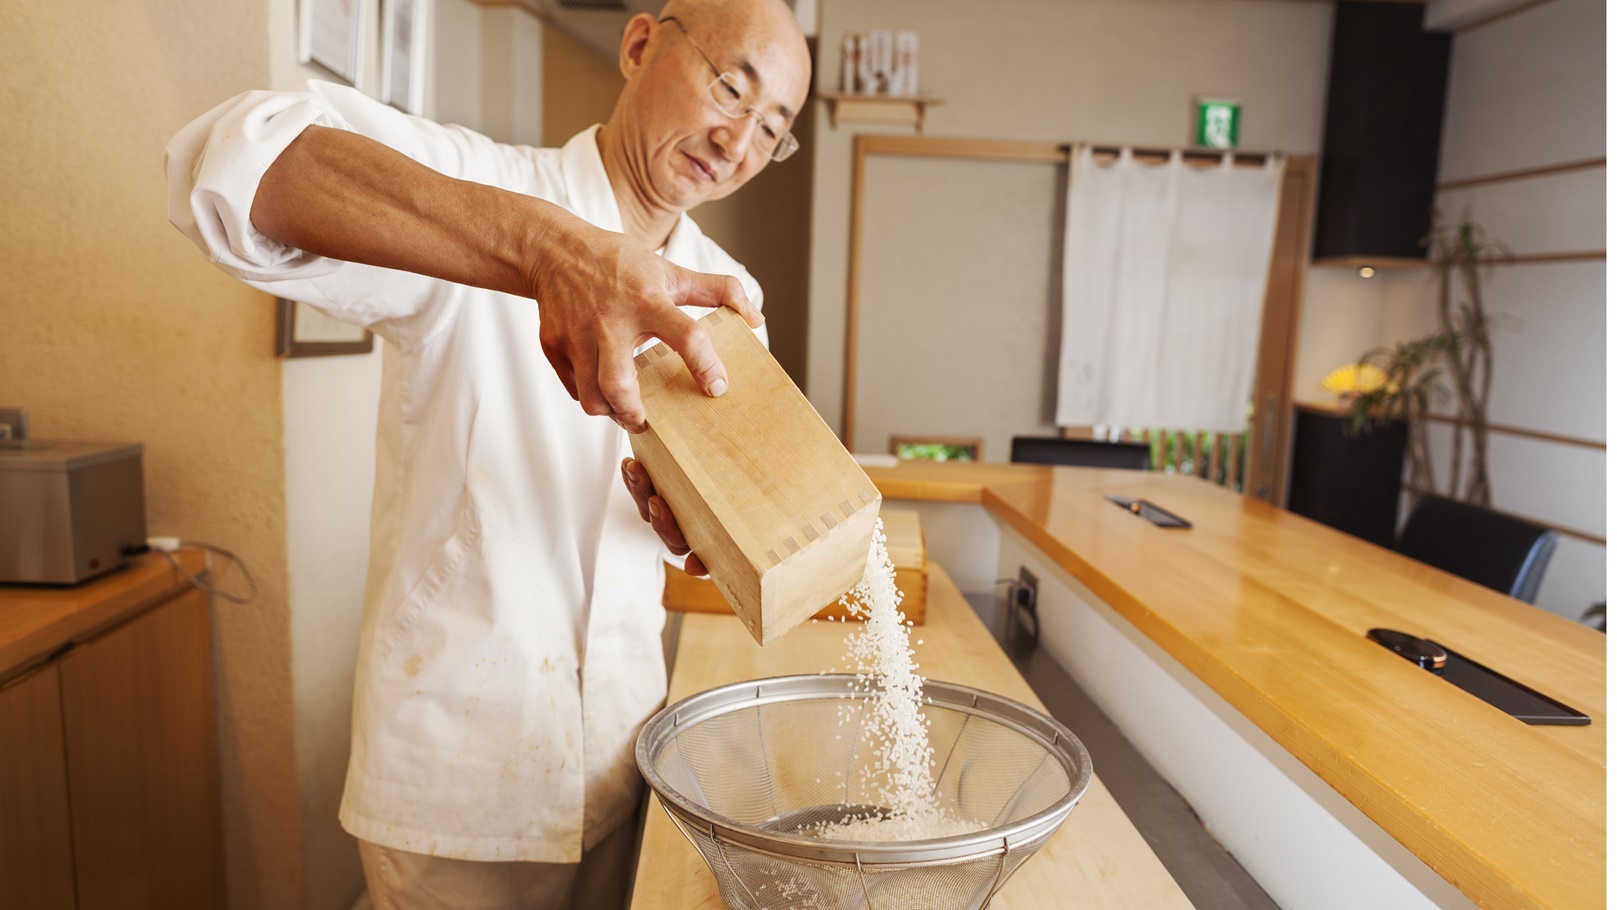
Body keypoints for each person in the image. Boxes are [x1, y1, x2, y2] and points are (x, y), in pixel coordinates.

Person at [164, 0, 812, 906]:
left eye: (771, 127)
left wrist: (692, 531)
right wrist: (547, 249)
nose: (736, 137)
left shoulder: (726, 301)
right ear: (639, 44)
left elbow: (691, 545)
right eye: (729, 85)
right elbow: (232, 163)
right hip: (453, 776)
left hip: (619, 765)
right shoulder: (482, 185)